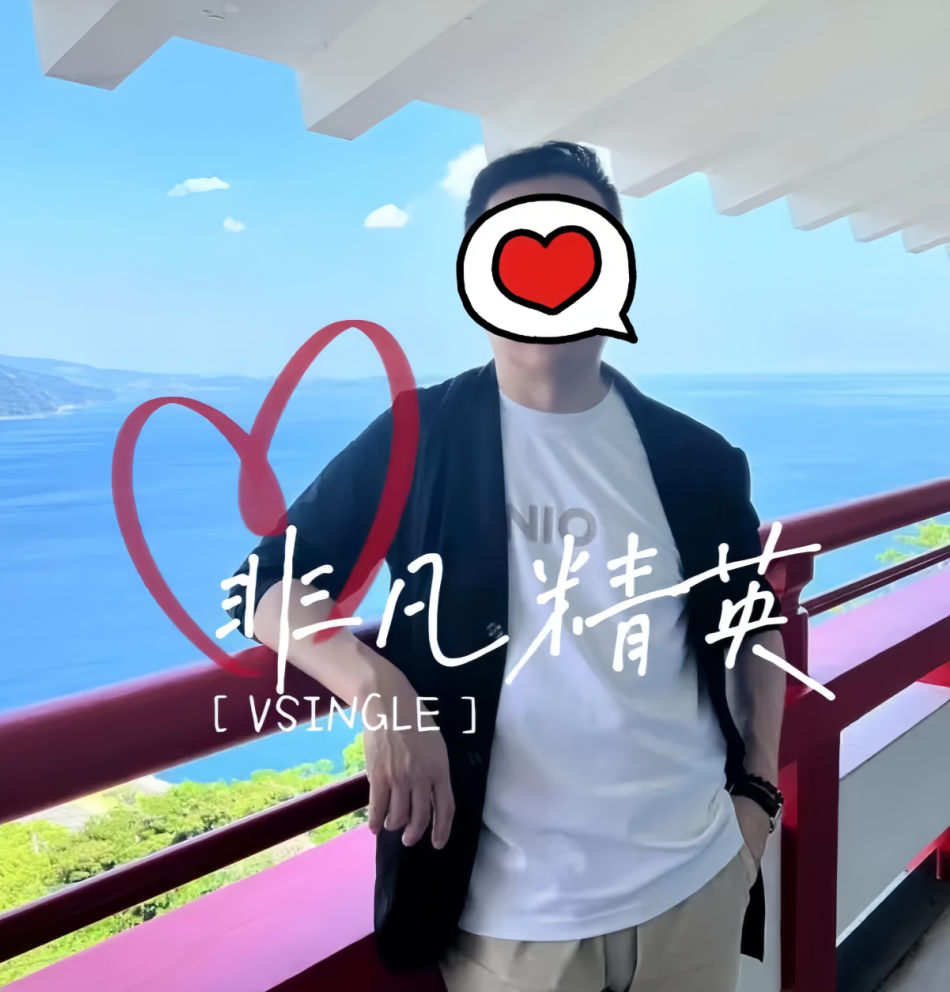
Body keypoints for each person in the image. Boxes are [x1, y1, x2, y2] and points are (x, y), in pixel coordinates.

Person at [231, 141, 786, 992]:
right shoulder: (417, 440)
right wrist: (377, 686)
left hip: (697, 881)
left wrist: (757, 800)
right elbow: (265, 584)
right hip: (508, 923)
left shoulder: (697, 459)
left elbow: (752, 627)